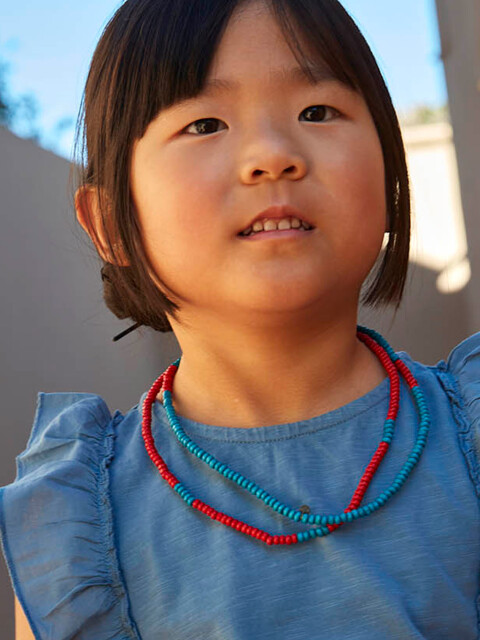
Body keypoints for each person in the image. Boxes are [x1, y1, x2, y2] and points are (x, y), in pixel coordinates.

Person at [1, 0, 479, 637]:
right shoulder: (76, 527)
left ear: (391, 177)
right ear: (111, 223)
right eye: (204, 124)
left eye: (317, 111)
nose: (273, 155)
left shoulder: (468, 427)